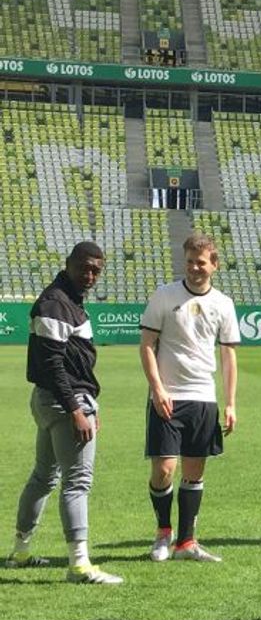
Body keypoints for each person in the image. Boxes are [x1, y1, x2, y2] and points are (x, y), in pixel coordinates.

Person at [6, 242, 122, 584]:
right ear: (68, 263)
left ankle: (20, 552)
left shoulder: (67, 299)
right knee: (77, 482)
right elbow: (53, 364)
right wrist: (77, 408)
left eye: (96, 271)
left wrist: (87, 402)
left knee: (43, 477)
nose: (89, 275)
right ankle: (80, 565)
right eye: (84, 268)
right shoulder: (56, 302)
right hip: (62, 401)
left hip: (55, 400)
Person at [140, 232, 240, 564]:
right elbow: (146, 346)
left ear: (214, 265)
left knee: (194, 473)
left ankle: (186, 543)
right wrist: (157, 388)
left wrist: (229, 402)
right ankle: (162, 533)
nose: (194, 268)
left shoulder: (223, 304)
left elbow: (228, 357)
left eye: (201, 262)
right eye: (189, 262)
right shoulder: (164, 295)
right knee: (165, 469)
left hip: (202, 399)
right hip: (168, 396)